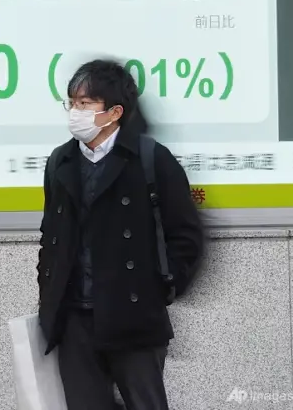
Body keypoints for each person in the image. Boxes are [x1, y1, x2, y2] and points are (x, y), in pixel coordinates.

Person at [36, 59, 204, 410]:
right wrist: (49, 294)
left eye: (85, 104)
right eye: (72, 103)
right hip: (74, 319)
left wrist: (164, 286)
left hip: (133, 318)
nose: (75, 113)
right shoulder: (60, 162)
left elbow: (186, 233)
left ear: (114, 112)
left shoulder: (150, 158)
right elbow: (50, 236)